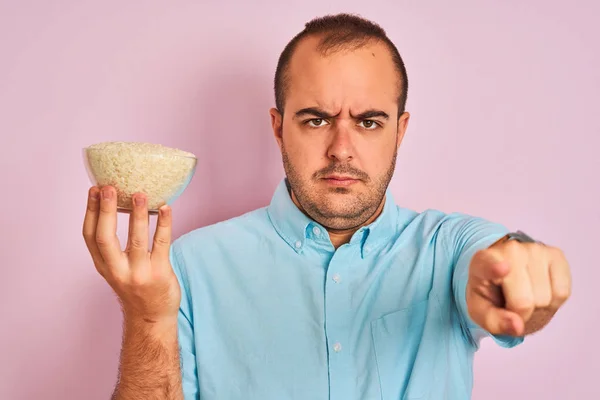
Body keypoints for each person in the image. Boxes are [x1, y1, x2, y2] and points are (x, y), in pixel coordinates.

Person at [82, 13, 572, 400]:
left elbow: (496, 265)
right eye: (316, 120)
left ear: (400, 131)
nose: (341, 148)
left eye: (369, 122)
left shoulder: (448, 248)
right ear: (278, 127)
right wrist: (147, 318)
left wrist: (518, 272)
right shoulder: (190, 266)